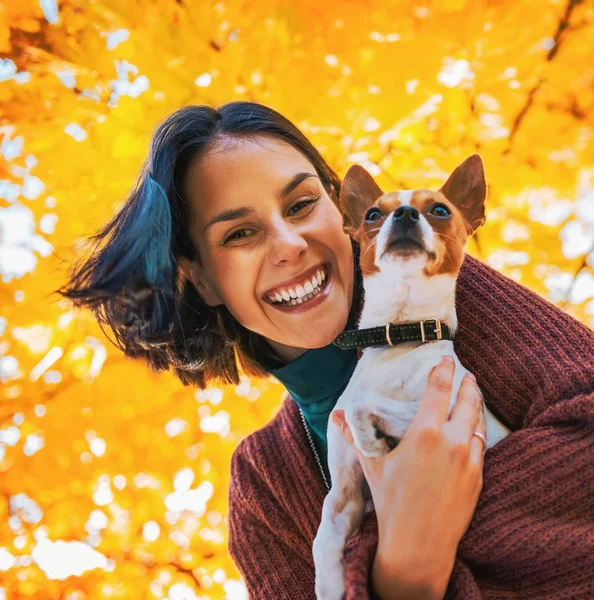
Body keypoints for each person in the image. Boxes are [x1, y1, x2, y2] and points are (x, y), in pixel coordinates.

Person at [61, 101, 594, 599]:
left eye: (301, 204)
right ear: (199, 279)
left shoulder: (442, 289)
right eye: (240, 233)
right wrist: (405, 565)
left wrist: (380, 556)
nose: (289, 243)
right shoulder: (263, 488)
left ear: (342, 213)